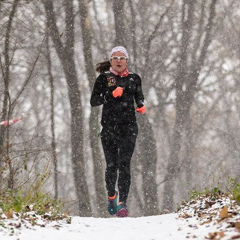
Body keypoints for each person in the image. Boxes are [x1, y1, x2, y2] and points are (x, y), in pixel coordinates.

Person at [90, 46, 145, 217]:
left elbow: (139, 96)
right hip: (109, 128)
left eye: (122, 58)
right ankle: (111, 196)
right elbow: (94, 101)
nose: (119, 61)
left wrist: (141, 105)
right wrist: (110, 94)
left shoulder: (134, 78)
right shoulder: (104, 79)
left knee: (125, 165)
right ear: (111, 61)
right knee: (111, 165)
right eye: (115, 58)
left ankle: (123, 203)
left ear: (127, 60)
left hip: (128, 128)